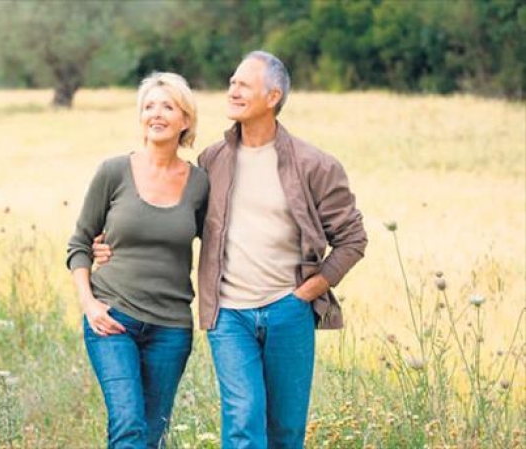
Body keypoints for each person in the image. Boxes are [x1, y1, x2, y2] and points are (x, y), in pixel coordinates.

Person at [93, 51, 367, 448]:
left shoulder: (315, 165)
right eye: (232, 82)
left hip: (289, 310)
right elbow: (177, 223)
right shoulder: (213, 161)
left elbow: (352, 238)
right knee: (243, 420)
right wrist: (111, 246)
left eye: (244, 84)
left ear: (273, 96)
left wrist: (305, 295)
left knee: (286, 431)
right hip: (229, 315)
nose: (232, 90)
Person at [66, 72, 209, 449]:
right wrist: (90, 305)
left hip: (171, 329)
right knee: (128, 424)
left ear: (186, 120)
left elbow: (218, 245)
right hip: (113, 319)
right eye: (148, 106)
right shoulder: (113, 172)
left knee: (151, 435)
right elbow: (80, 243)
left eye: (168, 106)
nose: (156, 114)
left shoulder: (200, 184)